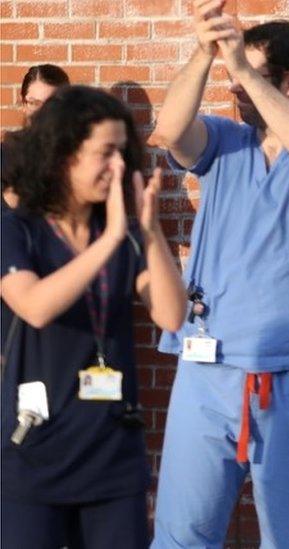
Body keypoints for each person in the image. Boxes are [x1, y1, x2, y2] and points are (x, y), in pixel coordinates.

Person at [148, 3, 289, 547]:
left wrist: (246, 69)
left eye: (244, 79)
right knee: (181, 537)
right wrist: (205, 50)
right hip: (208, 370)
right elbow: (170, 130)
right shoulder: (226, 140)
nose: (234, 91)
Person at [0, 85, 185, 548]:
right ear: (64, 154)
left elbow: (171, 314)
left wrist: (148, 230)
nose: (118, 167)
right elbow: (35, 306)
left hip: (111, 453)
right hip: (34, 450)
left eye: (123, 153)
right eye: (105, 154)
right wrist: (109, 242)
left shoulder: (121, 231)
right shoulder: (18, 227)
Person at [3, 64, 70, 211]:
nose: (42, 112)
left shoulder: (77, 157)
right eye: (34, 103)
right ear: (24, 104)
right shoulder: (4, 155)